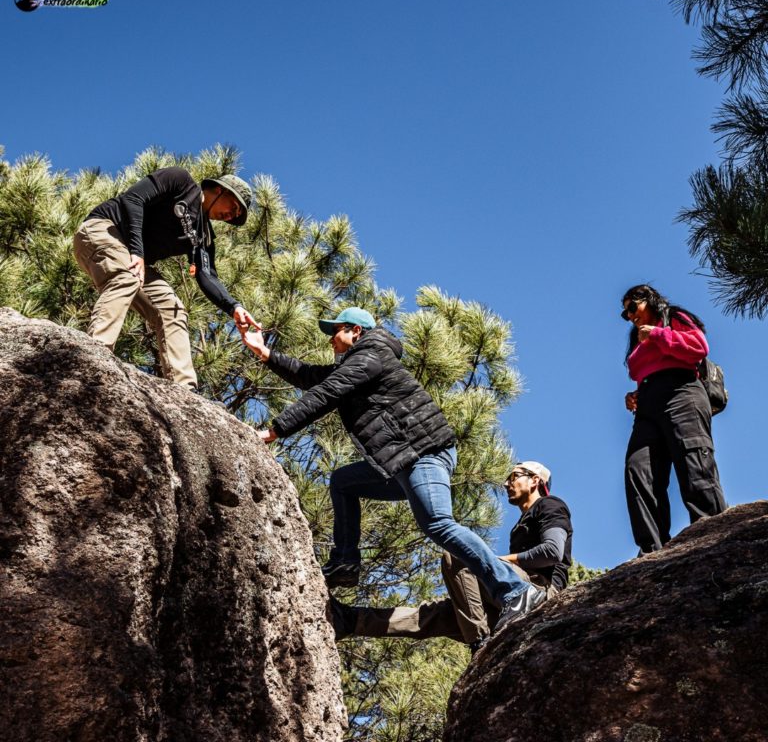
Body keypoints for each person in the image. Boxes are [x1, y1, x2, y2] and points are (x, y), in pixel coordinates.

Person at [241, 307, 545, 624]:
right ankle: (345, 561)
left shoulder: (372, 353)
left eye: (336, 331)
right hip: (401, 461)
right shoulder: (357, 363)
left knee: (439, 524)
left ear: (355, 331)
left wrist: (273, 431)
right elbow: (311, 377)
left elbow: (328, 391)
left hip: (422, 454)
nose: (331, 339)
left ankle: (515, 591)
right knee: (344, 481)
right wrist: (265, 353)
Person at [330, 461, 572, 650]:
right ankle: (350, 620)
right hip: (509, 599)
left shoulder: (550, 505)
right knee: (431, 617)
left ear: (535, 480)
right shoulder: (521, 522)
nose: (507, 483)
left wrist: (497, 561)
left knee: (459, 556)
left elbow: (552, 552)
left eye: (513, 477)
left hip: (540, 592)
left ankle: (480, 642)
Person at [74, 167, 257, 390]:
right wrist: (137, 251)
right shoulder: (180, 182)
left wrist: (234, 307)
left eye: (236, 215)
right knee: (128, 277)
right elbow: (132, 198)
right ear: (220, 190)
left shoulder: (203, 236)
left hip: (133, 258)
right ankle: (95, 353)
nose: (232, 216)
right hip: (103, 230)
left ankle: (185, 390)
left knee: (173, 309)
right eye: (234, 207)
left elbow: (207, 275)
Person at [621, 284, 727, 555]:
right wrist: (634, 395)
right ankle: (652, 549)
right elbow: (645, 370)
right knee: (638, 468)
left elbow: (698, 347)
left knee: (692, 459)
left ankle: (713, 531)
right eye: (626, 314)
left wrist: (657, 334)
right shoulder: (636, 336)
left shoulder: (673, 318)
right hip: (647, 403)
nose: (630, 316)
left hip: (682, 393)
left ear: (649, 299)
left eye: (633, 307)